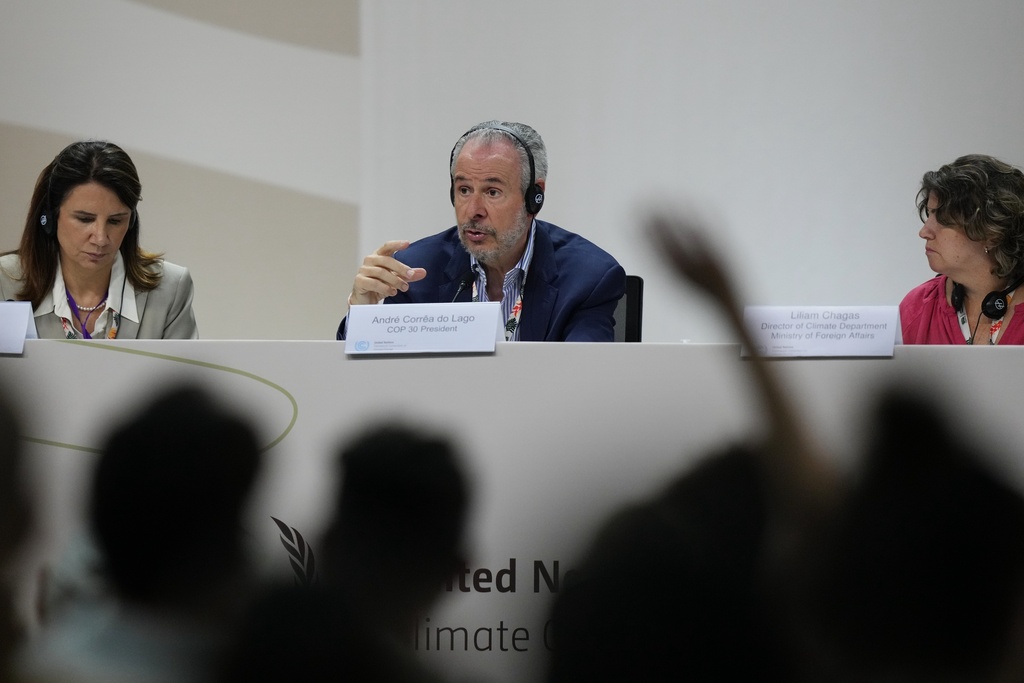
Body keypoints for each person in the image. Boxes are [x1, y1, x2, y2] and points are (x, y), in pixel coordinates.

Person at [337, 120, 625, 341]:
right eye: (464, 189)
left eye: (492, 191)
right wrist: (363, 314)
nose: (473, 210)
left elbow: (585, 379)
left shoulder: (587, 278)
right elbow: (371, 383)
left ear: (533, 198)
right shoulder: (415, 272)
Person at [0, 140, 198, 339]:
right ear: (49, 219)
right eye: (85, 219)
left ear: (131, 222)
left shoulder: (171, 288)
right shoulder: (4, 283)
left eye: (115, 221)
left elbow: (183, 371)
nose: (101, 239)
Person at [900, 154, 1024, 345]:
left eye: (943, 219)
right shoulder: (917, 309)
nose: (924, 232)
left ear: (993, 233)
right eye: (931, 214)